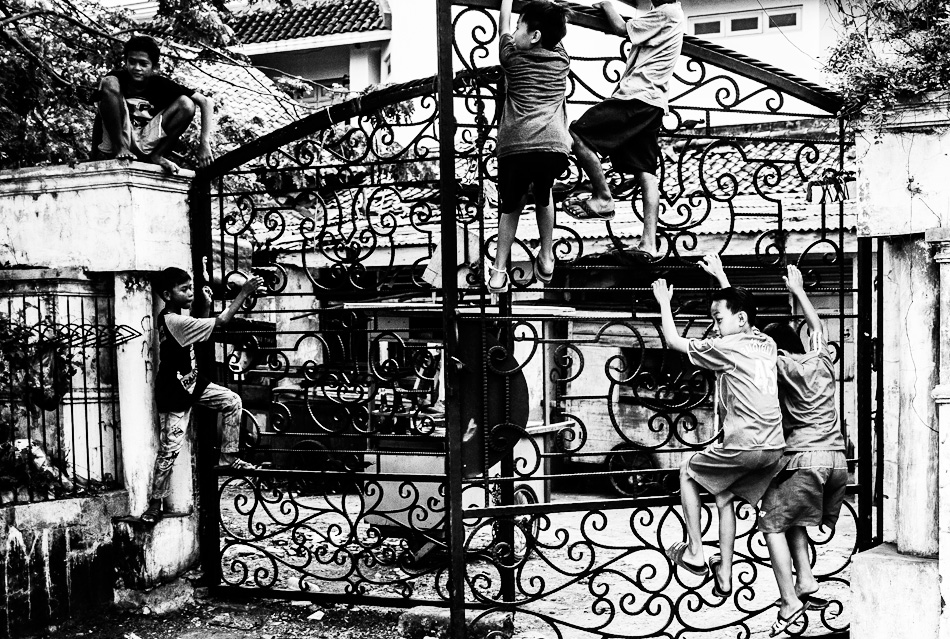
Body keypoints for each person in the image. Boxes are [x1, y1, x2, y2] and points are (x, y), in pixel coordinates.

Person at [651, 275, 785, 603]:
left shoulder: (726, 347)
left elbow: (673, 341)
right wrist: (722, 278)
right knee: (723, 497)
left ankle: (695, 552)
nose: (714, 326)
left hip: (747, 444)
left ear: (739, 319)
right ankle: (724, 574)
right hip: (774, 447)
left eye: (717, 318)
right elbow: (742, 313)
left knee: (687, 470)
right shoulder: (766, 343)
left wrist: (664, 303)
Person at [140, 267, 264, 525]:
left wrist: (205, 307)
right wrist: (244, 292)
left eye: (190, 288)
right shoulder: (173, 321)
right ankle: (155, 503)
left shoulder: (180, 319)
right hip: (175, 393)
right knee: (169, 451)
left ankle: (228, 457)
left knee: (232, 401)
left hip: (194, 384)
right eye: (183, 289)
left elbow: (199, 339)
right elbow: (222, 322)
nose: (190, 293)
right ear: (167, 295)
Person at [565, 0, 684, 261]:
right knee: (646, 172)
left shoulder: (666, 13)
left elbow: (621, 28)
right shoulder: (672, 15)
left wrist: (606, 5)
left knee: (578, 133)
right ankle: (649, 243)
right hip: (654, 102)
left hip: (637, 96)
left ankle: (603, 198)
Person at [486, 0, 573, 294]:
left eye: (520, 27)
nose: (515, 32)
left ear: (534, 35)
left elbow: (502, 28)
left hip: (516, 147)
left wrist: (507, 2)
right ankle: (547, 258)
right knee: (544, 194)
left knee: (511, 205)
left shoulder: (511, 59)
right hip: (552, 147)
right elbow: (556, 35)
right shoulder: (561, 60)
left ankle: (498, 271)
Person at [93, 36, 215, 174]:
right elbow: (101, 114)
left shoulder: (160, 84)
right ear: (125, 61)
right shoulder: (117, 79)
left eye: (143, 64)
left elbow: (206, 102)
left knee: (186, 103)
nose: (137, 68)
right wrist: (96, 152)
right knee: (108, 81)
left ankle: (157, 155)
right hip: (119, 136)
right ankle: (120, 147)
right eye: (132, 62)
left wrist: (204, 143)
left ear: (154, 67)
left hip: (145, 139)